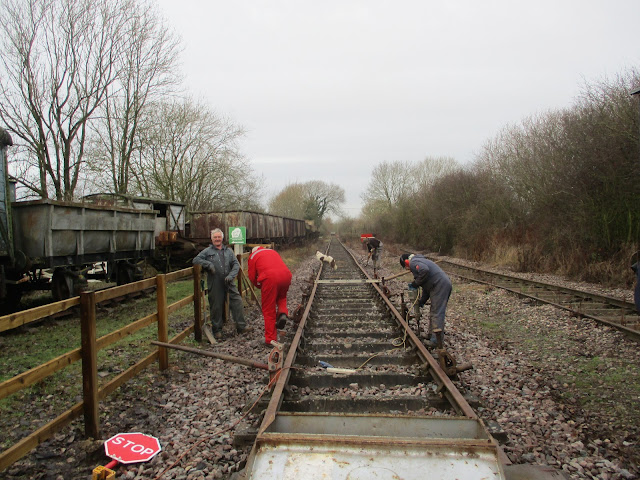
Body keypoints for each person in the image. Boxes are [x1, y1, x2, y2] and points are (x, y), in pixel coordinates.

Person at [193, 228, 250, 340]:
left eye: (219, 237)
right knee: (216, 306)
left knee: (237, 301)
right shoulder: (207, 251)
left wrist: (231, 276)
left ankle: (241, 326)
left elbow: (236, 264)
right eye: (215, 237)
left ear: (222, 238)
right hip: (215, 282)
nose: (217, 239)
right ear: (212, 239)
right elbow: (196, 260)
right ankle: (217, 330)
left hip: (228, 280)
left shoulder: (228, 251)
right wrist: (208, 265)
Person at [400, 253, 452, 346]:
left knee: (437, 312)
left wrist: (416, 283)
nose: (408, 270)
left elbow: (424, 270)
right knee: (433, 311)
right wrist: (422, 301)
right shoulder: (420, 261)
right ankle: (431, 334)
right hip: (437, 285)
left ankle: (436, 340)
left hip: (440, 285)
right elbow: (426, 287)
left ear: (406, 262)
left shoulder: (414, 262)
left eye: (406, 267)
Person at [248, 245, 292, 346]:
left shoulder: (253, 256)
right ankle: (282, 313)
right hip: (286, 275)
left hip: (270, 278)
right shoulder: (272, 251)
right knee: (282, 297)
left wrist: (259, 285)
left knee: (268, 309)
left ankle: (270, 339)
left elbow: (252, 277)